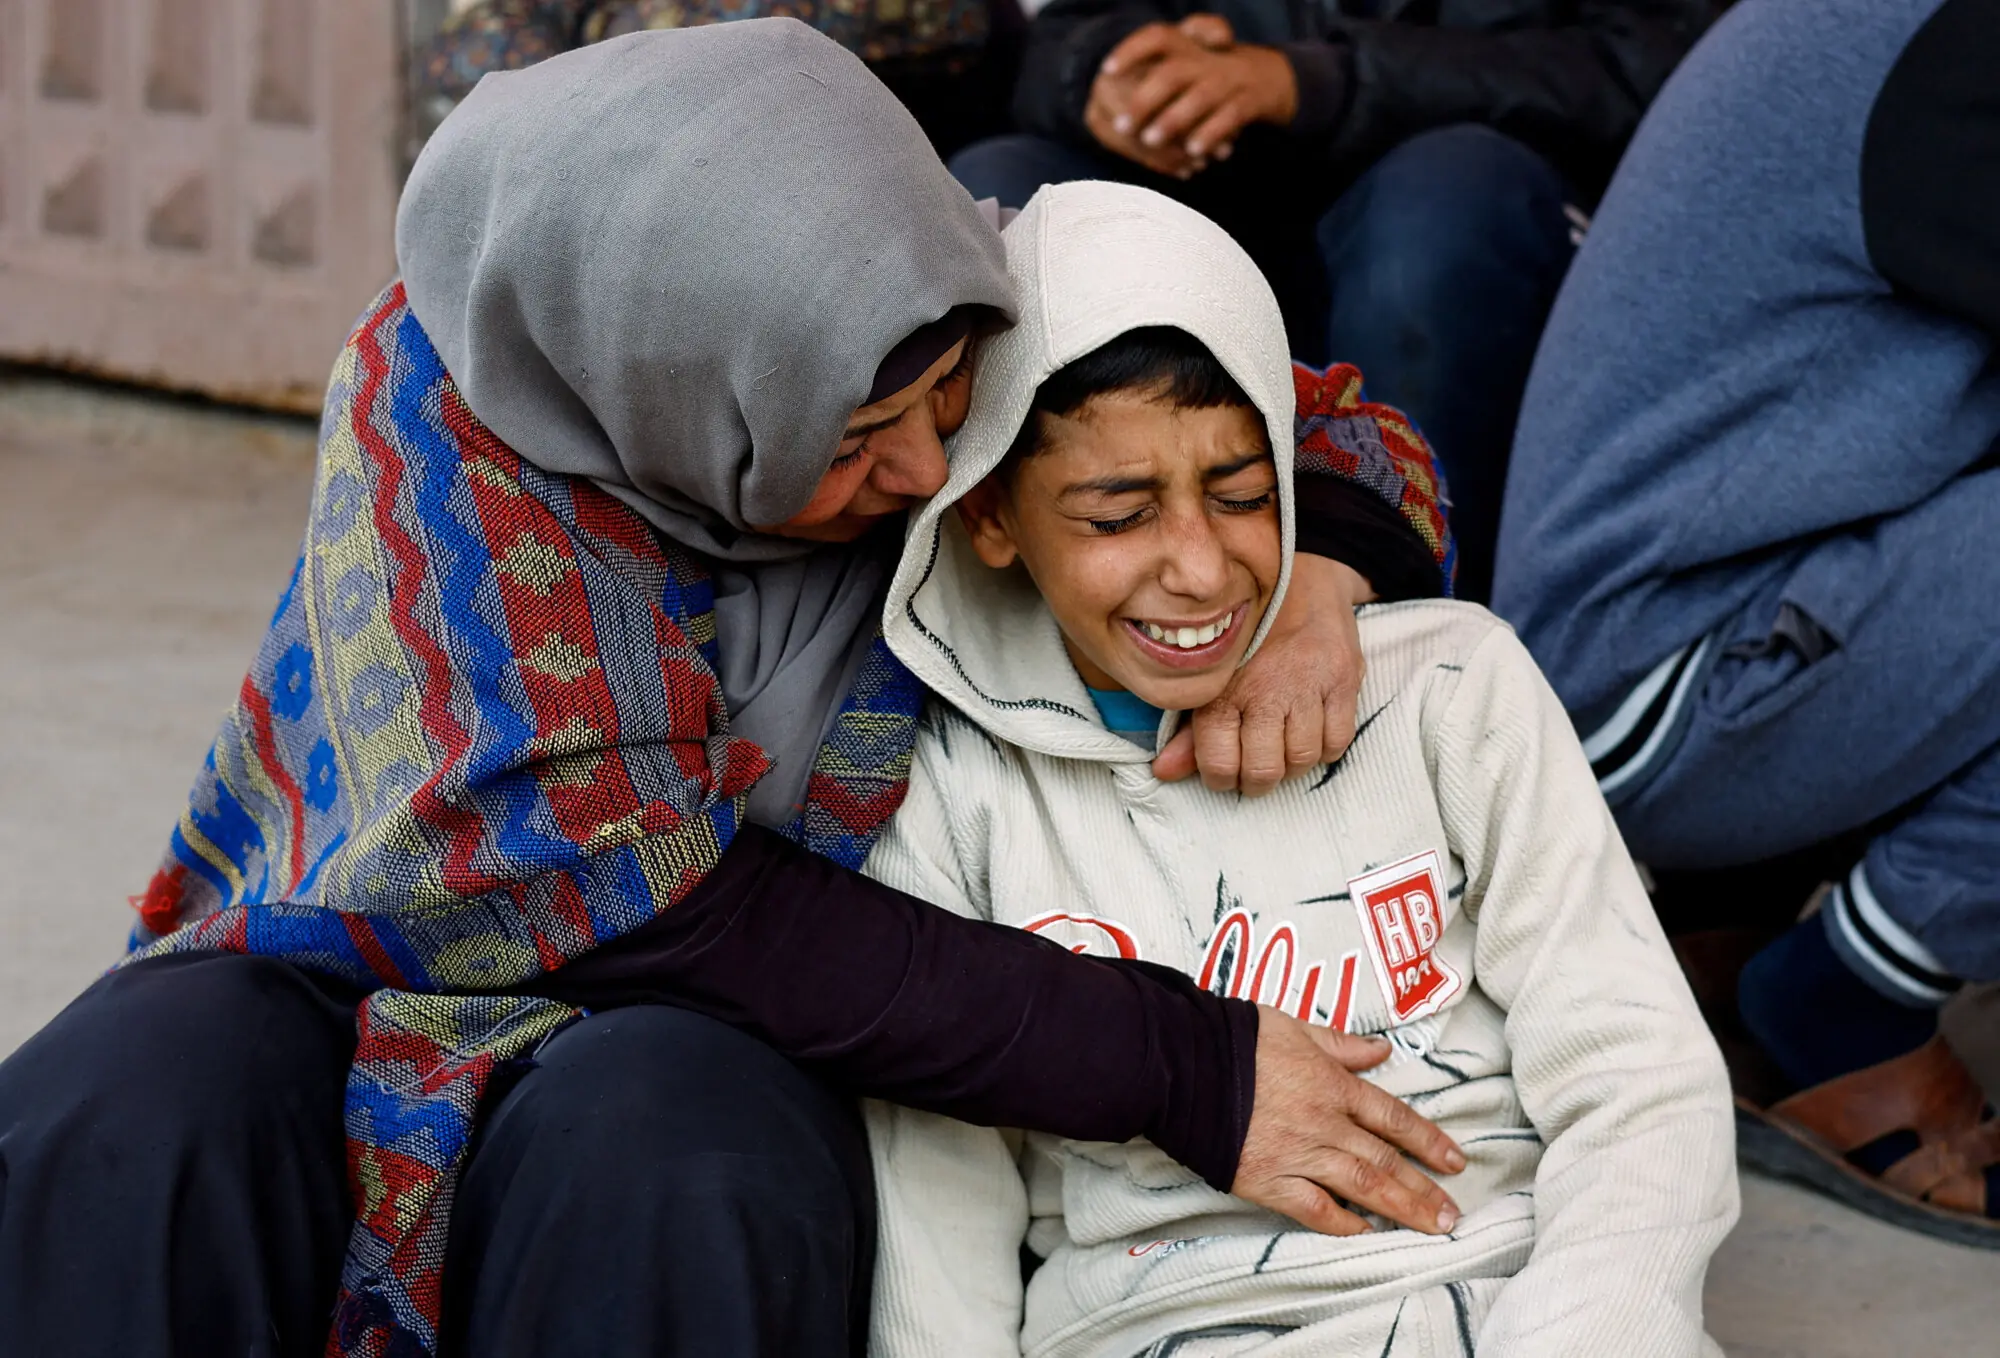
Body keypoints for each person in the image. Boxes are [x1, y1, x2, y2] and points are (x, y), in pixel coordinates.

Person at [0, 22, 1469, 1358]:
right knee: (141, 1099)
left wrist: (1316, 576)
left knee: (676, 1150)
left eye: (946, 405)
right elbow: (637, 890)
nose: (918, 477)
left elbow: (1321, 422)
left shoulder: (942, 279)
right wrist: (1174, 1061)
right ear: (672, 380)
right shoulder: (447, 411)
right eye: (849, 433)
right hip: (371, 954)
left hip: (735, 1028)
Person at [860, 182, 1735, 1358]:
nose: (1198, 565)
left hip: (1521, 1294)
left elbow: (1638, 1081)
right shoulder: (950, 792)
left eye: (1241, 492)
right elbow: (937, 1217)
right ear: (991, 521)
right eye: (1117, 514)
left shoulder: (1452, 688)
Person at [1493, 0, 2000, 1243]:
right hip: (1656, 678)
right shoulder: (1945, 53)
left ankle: (1783, 942)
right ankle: (1841, 1002)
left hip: (1733, 616)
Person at [947, 0, 1719, 601]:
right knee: (1000, 194)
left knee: (1439, 211)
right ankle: (1032, 638)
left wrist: (1312, 81)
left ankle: (1401, 609)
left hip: (1459, 235)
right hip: (1214, 204)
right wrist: (1115, 77)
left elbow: (1657, 64)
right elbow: (1051, 42)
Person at [414, 0, 1027, 158]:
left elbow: (962, 27)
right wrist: (575, 102)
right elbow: (475, 42)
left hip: (800, 174)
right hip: (597, 146)